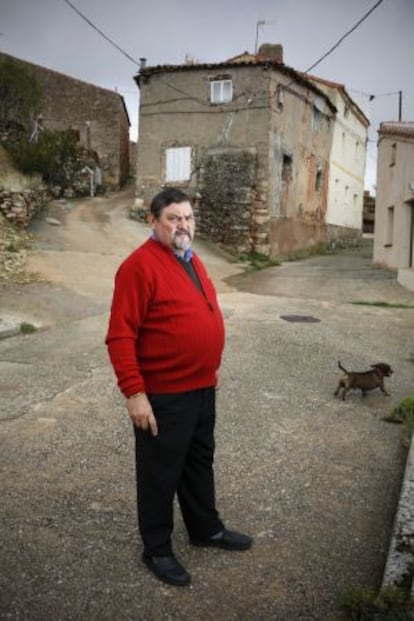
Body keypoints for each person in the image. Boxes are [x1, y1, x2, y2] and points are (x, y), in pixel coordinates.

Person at [105, 187, 252, 587]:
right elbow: (120, 336)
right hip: (164, 395)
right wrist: (135, 394)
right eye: (173, 217)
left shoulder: (191, 259)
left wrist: (208, 367)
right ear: (153, 222)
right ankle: (156, 548)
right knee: (159, 474)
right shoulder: (138, 267)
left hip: (201, 388)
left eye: (187, 217)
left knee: (198, 464)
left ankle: (206, 529)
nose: (182, 224)